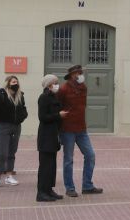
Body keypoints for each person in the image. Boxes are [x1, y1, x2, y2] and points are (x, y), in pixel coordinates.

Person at [58, 64, 103, 197]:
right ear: (72, 75)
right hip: (68, 129)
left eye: (81, 72)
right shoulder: (63, 89)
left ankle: (87, 186)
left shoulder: (83, 87)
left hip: (81, 129)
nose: (81, 75)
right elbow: (57, 107)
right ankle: (69, 187)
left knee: (90, 155)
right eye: (79, 73)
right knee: (68, 159)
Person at [0, 75, 27, 188]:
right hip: (3, 126)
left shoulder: (20, 95)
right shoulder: (1, 95)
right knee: (2, 152)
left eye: (16, 82)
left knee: (12, 151)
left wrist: (23, 116)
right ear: (7, 83)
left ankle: (9, 176)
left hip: (16, 126)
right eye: (13, 82)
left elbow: (23, 108)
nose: (15, 84)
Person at [37, 74, 67, 202]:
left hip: (53, 135)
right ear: (49, 85)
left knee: (52, 165)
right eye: (55, 82)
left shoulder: (54, 96)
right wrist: (58, 115)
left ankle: (49, 189)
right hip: (46, 136)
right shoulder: (43, 97)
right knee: (45, 165)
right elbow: (42, 117)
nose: (57, 85)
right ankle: (41, 192)